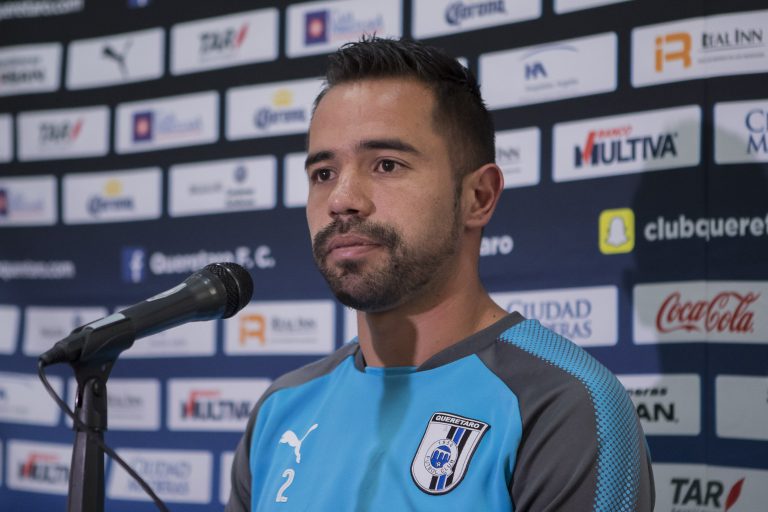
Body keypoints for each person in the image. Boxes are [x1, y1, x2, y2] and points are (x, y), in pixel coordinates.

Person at [227, 36, 654, 511]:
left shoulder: (563, 406)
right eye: (323, 173)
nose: (342, 199)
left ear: (479, 197)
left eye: (386, 165)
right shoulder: (281, 409)